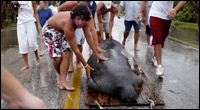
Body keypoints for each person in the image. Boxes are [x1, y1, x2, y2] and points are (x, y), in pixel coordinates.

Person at [42, 5, 108, 90]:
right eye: (78, 19)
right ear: (74, 17)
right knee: (57, 58)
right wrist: (86, 65)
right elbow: (76, 49)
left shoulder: (85, 21)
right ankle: (61, 78)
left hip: (62, 30)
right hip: (51, 30)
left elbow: (88, 37)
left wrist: (96, 53)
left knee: (67, 53)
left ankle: (63, 81)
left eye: (83, 19)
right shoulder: (68, 24)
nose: (80, 22)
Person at [135, 1, 186, 77]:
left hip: (167, 17)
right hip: (155, 14)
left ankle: (155, 57)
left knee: (162, 39)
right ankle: (159, 66)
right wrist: (139, 13)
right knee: (157, 38)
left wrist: (175, 9)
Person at [58, 1, 107, 72]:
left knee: (79, 44)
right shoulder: (72, 3)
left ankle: (78, 62)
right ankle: (70, 64)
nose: (87, 2)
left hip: (81, 23)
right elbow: (59, 8)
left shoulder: (87, 11)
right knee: (70, 45)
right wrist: (62, 23)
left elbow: (92, 30)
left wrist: (96, 46)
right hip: (70, 23)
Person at [11, 1, 41, 71]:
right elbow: (14, 11)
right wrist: (13, 4)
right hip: (21, 23)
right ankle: (26, 64)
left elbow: (35, 13)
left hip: (30, 22)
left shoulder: (32, 1)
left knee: (32, 43)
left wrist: (39, 24)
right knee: (22, 44)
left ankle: (37, 56)